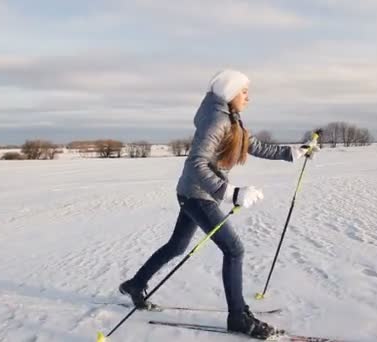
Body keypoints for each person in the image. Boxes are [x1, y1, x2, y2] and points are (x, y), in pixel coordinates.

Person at [118, 69, 319, 339]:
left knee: (177, 247)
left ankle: (136, 284)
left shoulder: (231, 117)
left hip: (194, 192)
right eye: (244, 91)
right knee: (234, 249)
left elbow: (253, 145)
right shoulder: (216, 119)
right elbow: (196, 163)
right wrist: (231, 193)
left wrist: (292, 152)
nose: (249, 97)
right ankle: (238, 317)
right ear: (229, 93)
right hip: (196, 193)